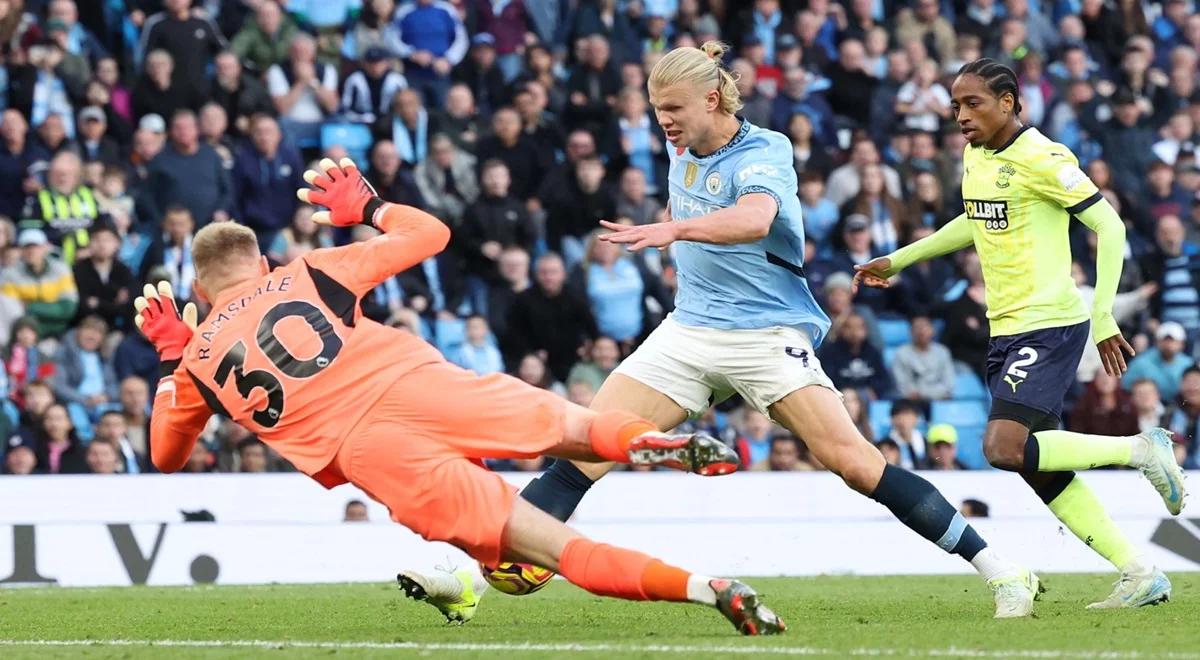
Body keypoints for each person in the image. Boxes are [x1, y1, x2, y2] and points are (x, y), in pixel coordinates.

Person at [441, 42, 1039, 622]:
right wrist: (703, 56)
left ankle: (1005, 571)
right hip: (690, 329)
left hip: (766, 333)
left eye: (673, 109)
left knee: (855, 464)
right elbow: (696, 100)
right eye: (656, 111)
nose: (663, 122)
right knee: (585, 447)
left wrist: (674, 231)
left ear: (710, 101)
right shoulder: (683, 140)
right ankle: (470, 581)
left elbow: (756, 218)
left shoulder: (766, 150)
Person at [137, 157, 782, 635]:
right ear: (261, 261)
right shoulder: (307, 273)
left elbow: (165, 457)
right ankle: (647, 441)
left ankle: (705, 587)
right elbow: (432, 237)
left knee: (556, 553)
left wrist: (171, 358)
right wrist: (369, 209)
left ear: (199, 287)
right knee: (578, 430)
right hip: (419, 384)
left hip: (372, 452)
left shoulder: (195, 362)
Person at [855, 58, 1185, 609]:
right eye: (956, 105)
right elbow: (976, 219)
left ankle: (1141, 449)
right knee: (1034, 463)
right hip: (1004, 329)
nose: (959, 115)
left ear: (1008, 101)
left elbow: (1110, 224)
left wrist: (1103, 314)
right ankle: (1139, 570)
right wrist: (903, 259)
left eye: (972, 103)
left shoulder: (1045, 157)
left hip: (1051, 323)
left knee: (1001, 447)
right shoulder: (976, 154)